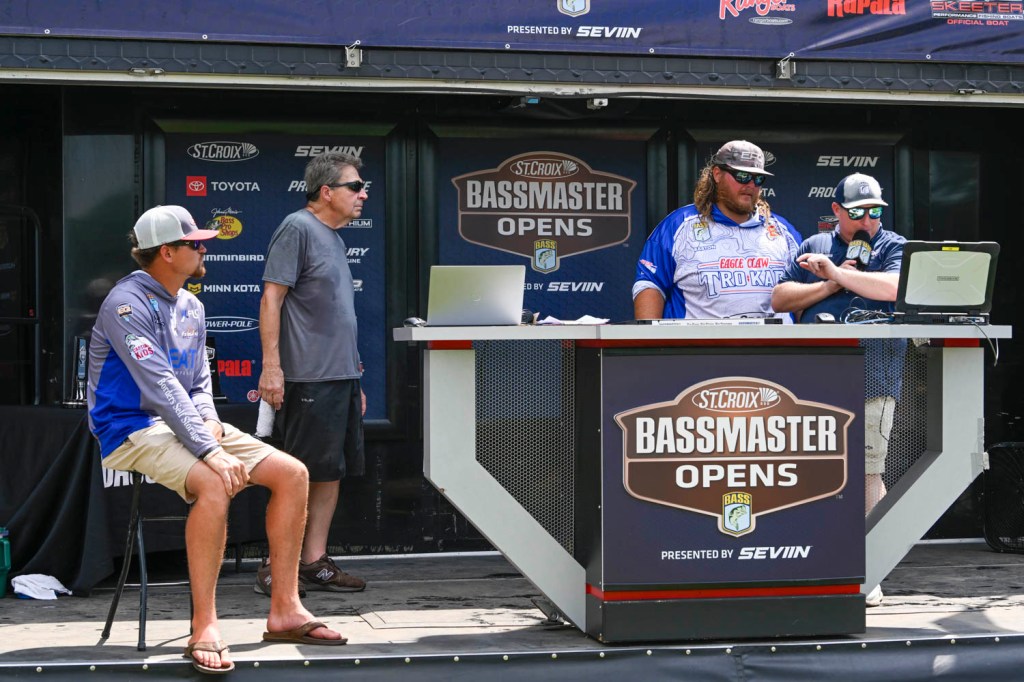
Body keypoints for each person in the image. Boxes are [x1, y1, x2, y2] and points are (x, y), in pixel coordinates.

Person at [87, 206, 346, 675]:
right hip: (130, 428)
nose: (204, 249)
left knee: (293, 474)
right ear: (167, 252)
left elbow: (198, 383)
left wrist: (208, 422)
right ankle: (203, 625)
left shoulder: (192, 304)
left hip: (184, 421)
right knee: (213, 481)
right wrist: (209, 450)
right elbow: (160, 385)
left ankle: (285, 610)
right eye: (195, 243)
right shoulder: (125, 303)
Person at [771, 172, 906, 607]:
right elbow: (780, 298)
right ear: (836, 211)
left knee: (868, 472)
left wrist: (837, 276)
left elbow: (895, 288)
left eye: (876, 211)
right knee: (811, 471)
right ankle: (815, 561)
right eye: (858, 212)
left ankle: (870, 568)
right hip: (813, 379)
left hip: (874, 374)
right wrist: (829, 282)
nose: (868, 220)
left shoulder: (893, 245)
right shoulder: (815, 245)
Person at [257, 151, 368, 596]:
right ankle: (274, 566)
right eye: (354, 187)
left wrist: (354, 375)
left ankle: (313, 562)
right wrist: (271, 367)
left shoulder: (334, 238)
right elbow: (271, 298)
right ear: (326, 192)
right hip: (307, 378)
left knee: (329, 473)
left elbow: (337, 314)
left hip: (340, 377)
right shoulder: (297, 227)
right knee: (296, 474)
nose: (362, 195)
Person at [633, 139, 801, 320]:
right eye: (742, 176)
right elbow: (650, 285)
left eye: (758, 178)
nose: (751, 185)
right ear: (717, 174)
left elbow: (805, 293)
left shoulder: (783, 231)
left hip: (774, 339)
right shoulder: (678, 225)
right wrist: (649, 338)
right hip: (702, 339)